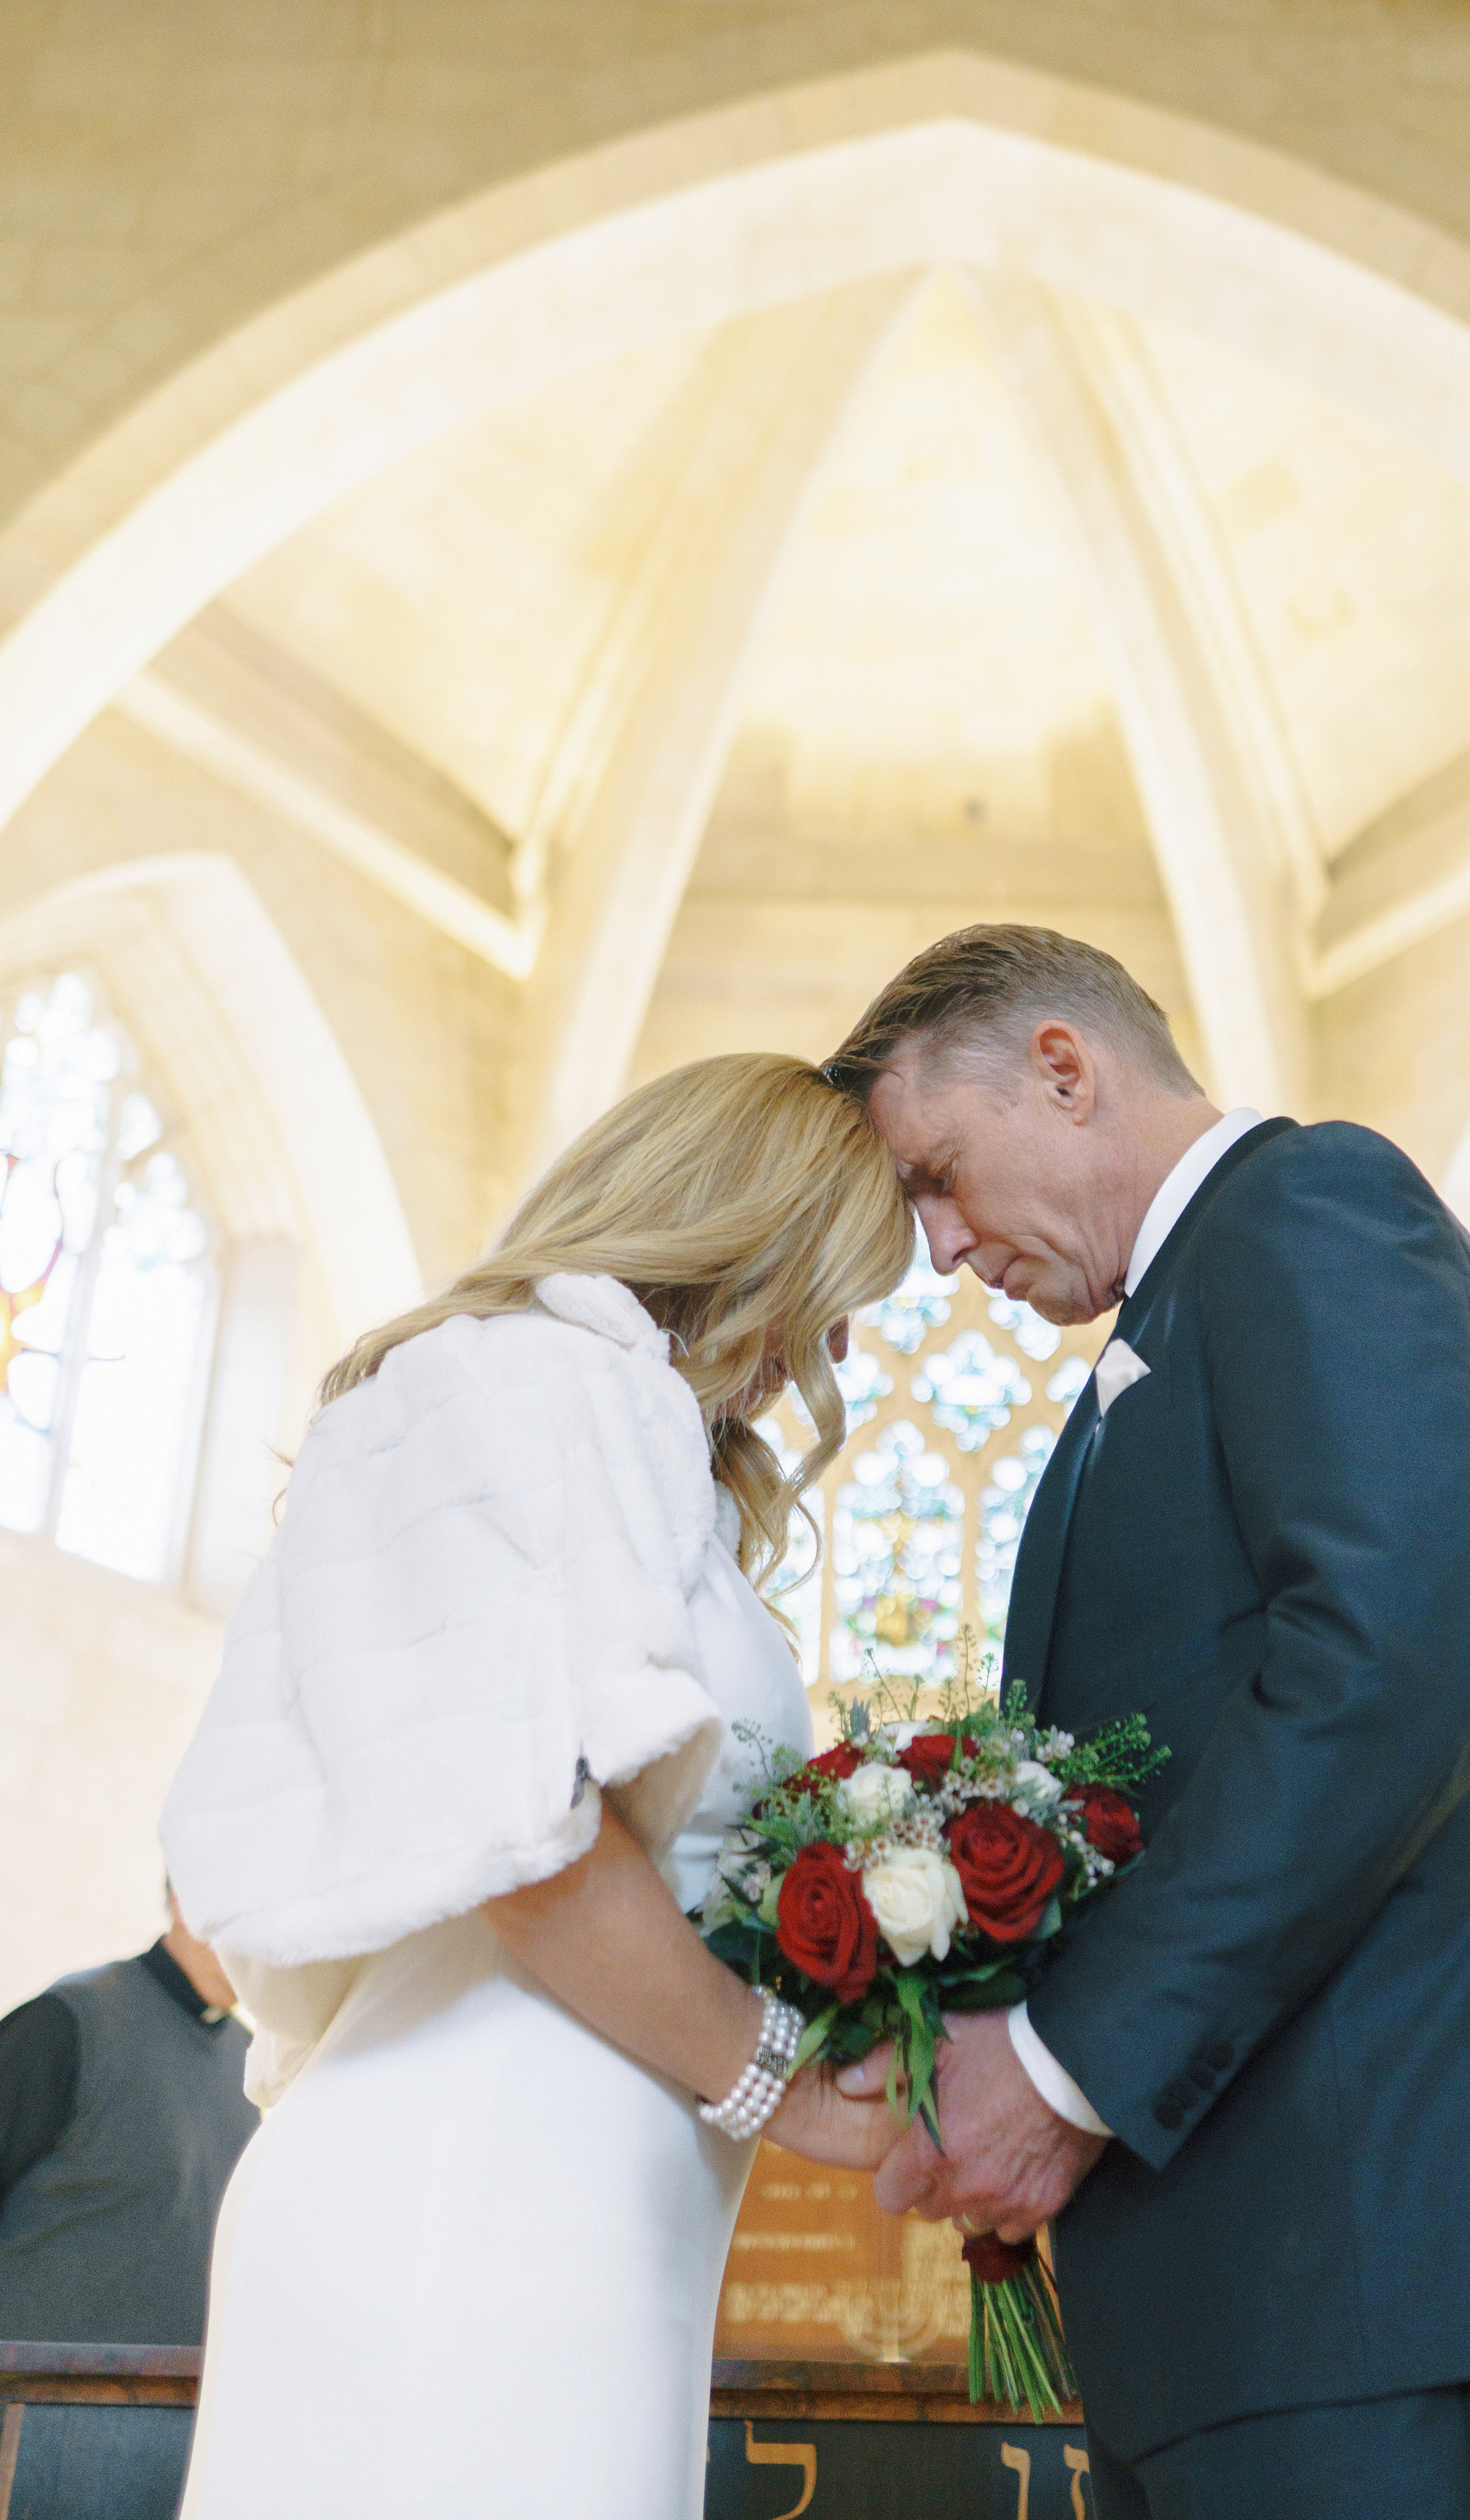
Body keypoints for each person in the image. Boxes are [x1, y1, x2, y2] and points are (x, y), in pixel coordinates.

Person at [825, 926, 1470, 2520]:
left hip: (1381, 2264)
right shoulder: (1149, 1338)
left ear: (1063, 1069)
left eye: (935, 1174)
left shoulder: (1311, 1208)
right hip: (1234, 2291)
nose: (935, 1249)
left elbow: (1379, 1661)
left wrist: (1062, 2071)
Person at [159, 1053, 913, 2520]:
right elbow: (531, 1850)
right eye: (828, 1284)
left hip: (581, 2199)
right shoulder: (541, 1381)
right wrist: (790, 2087)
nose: (826, 1344)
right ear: (737, 1225)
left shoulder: (605, 1416)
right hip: (476, 2185)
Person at [0, 1880, 254, 2341]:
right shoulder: (67, 2024)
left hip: (176, 2407)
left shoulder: (253, 2065)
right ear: (185, 1896)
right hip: (30, 2407)